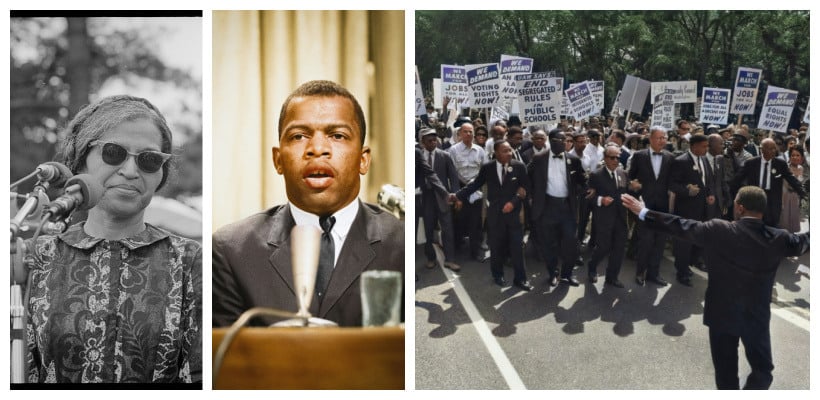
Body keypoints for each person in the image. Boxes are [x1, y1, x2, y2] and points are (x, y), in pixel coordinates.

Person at [24, 95, 202, 383]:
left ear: (160, 174)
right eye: (113, 153)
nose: (130, 172)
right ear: (80, 160)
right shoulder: (35, 257)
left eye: (149, 160)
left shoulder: (191, 261)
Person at [212, 80, 403, 327]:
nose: (317, 149)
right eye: (299, 136)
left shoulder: (400, 243)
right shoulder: (232, 250)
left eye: (337, 135)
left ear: (363, 160)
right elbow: (225, 359)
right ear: (278, 160)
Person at [621, 187, 809, 389]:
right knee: (763, 370)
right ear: (762, 209)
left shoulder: (719, 230)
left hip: (721, 316)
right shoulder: (778, 238)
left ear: (739, 207)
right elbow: (802, 242)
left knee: (725, 373)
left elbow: (679, 225)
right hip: (756, 317)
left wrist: (643, 212)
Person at [452, 140, 532, 290]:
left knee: (517, 247)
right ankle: (498, 275)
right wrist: (457, 196)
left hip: (513, 215)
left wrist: (514, 202)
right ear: (495, 153)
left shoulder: (519, 167)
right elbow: (475, 184)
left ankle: (520, 279)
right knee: (496, 248)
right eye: (505, 151)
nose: (509, 153)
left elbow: (525, 187)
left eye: (510, 150)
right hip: (495, 216)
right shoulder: (487, 168)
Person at [528, 128, 588, 287]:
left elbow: (583, 181)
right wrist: (528, 194)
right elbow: (528, 179)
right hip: (547, 207)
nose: (564, 143)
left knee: (570, 243)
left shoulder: (573, 160)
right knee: (549, 244)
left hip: (567, 208)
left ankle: (567, 274)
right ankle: (553, 272)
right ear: (551, 141)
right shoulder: (539, 158)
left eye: (566, 141)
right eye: (560, 140)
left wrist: (584, 191)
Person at [627, 126, 674, 286]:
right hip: (644, 206)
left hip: (662, 206)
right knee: (645, 241)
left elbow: (673, 181)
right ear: (651, 139)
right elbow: (630, 177)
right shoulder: (639, 156)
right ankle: (640, 272)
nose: (662, 141)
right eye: (659, 138)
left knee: (659, 241)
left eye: (665, 138)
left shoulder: (670, 157)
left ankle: (654, 274)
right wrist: (632, 185)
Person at [668, 134, 716, 286]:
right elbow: (672, 184)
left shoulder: (705, 160)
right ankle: (681, 272)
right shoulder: (681, 161)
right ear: (693, 146)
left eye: (707, 146)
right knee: (684, 242)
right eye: (703, 146)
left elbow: (708, 181)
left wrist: (710, 195)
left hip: (702, 209)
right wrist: (687, 190)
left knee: (698, 240)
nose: (706, 149)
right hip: (686, 210)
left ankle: (691, 264)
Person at [731, 138, 805, 228]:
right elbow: (737, 180)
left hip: (772, 201)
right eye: (771, 149)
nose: (774, 151)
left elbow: (791, 179)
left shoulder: (780, 164)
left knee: (771, 227)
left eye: (775, 148)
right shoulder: (751, 163)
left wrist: (803, 192)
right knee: (754, 226)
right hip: (755, 198)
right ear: (763, 149)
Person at [418, 128, 461, 271]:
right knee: (428, 230)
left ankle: (450, 259)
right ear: (422, 142)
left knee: (448, 229)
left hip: (444, 198)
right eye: (429, 140)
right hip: (426, 198)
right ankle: (431, 257)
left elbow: (453, 178)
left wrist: (455, 195)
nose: (433, 143)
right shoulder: (417, 157)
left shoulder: (445, 156)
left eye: (435, 140)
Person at [586, 144, 628, 287]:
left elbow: (625, 193)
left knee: (619, 248)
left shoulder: (623, 173)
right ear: (605, 158)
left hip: (621, 218)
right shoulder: (596, 175)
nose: (616, 160)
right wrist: (600, 200)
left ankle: (612, 277)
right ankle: (592, 267)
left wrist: (635, 189)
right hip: (604, 218)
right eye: (612, 157)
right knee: (603, 247)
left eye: (618, 157)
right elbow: (588, 197)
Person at [447, 122, 488, 261]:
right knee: (459, 220)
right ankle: (457, 246)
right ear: (459, 134)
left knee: (475, 223)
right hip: (460, 189)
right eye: (465, 131)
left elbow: (484, 170)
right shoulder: (453, 150)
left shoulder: (480, 150)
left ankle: (474, 252)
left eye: (471, 132)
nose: (468, 134)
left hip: (477, 190)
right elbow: (452, 172)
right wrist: (459, 192)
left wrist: (475, 185)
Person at [779, 146, 805, 233]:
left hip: (795, 198)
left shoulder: (801, 168)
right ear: (789, 157)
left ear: (802, 157)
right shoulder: (785, 167)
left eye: (798, 155)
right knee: (784, 223)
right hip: (784, 197)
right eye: (793, 155)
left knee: (793, 224)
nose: (795, 157)